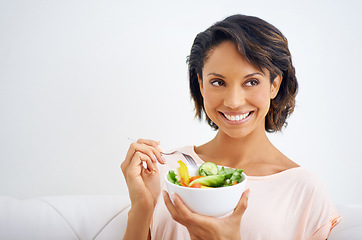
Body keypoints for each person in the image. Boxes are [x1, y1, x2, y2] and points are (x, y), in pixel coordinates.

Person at [121, 14, 341, 240]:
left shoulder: (303, 190)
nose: (234, 101)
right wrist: (142, 207)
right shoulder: (165, 170)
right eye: (218, 82)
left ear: (274, 85)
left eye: (251, 82)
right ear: (201, 84)